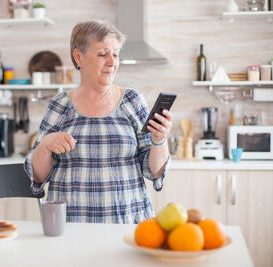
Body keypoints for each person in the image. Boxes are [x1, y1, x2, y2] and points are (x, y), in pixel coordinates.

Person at [24, 20, 173, 224]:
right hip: (71, 225)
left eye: (116, 54)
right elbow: (38, 177)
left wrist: (159, 140)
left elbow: (154, 171)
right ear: (79, 57)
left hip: (128, 222)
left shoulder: (132, 101)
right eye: (103, 54)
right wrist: (47, 144)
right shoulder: (60, 105)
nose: (112, 62)